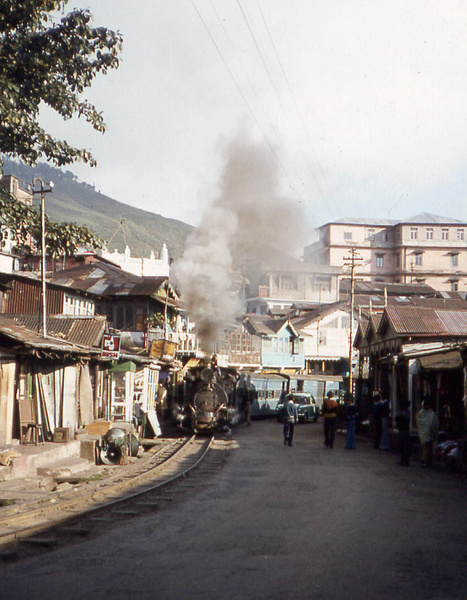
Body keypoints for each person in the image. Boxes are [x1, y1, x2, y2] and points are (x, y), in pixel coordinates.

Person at [416, 400, 439, 467]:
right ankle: (426, 461)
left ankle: (425, 461)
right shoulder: (431, 414)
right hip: (428, 433)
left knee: (426, 448)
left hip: (424, 434)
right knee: (427, 448)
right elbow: (433, 424)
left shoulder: (421, 413)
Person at [395, 400, 411, 466]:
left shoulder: (404, 413)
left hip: (403, 430)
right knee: (405, 446)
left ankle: (404, 460)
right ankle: (404, 460)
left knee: (404, 446)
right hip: (405, 430)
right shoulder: (407, 412)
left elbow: (397, 418)